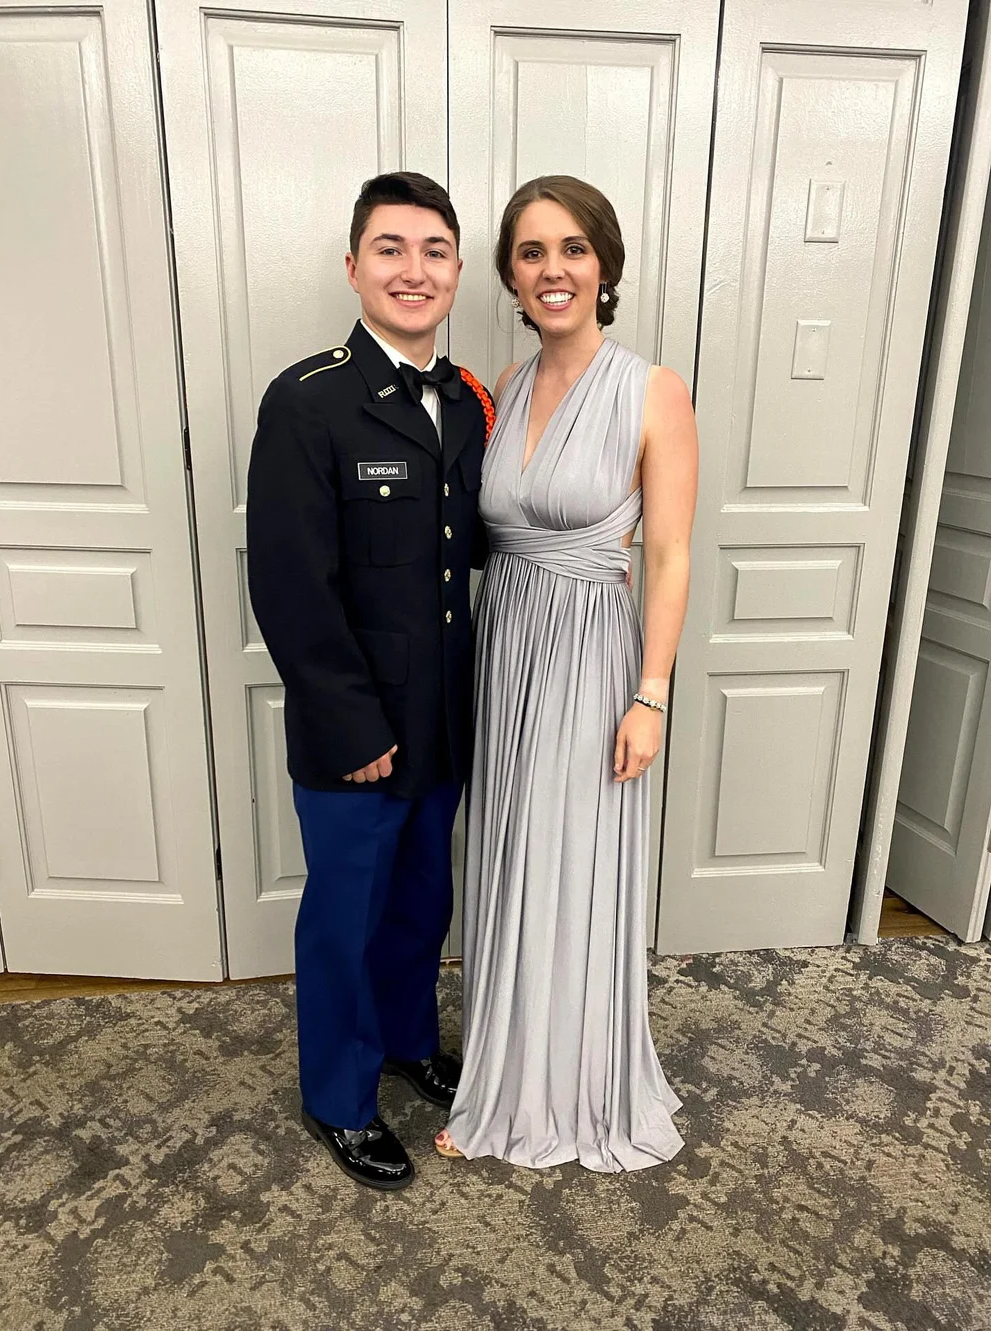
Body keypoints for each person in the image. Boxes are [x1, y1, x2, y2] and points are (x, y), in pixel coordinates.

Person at [436, 176, 698, 1171]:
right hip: (505, 653)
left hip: (592, 657)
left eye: (574, 248)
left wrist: (650, 693)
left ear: (604, 264)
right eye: (533, 251)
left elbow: (668, 553)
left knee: (568, 855)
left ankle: (574, 1088)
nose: (554, 269)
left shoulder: (650, 388)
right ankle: (504, 1079)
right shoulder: (500, 387)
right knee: (507, 855)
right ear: (508, 271)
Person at [246, 172, 493, 1191]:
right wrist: (352, 723)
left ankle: (403, 1039)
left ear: (456, 272)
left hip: (441, 714)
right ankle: (339, 1095)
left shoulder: (469, 401)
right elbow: (290, 584)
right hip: (354, 727)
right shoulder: (308, 402)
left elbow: (478, 546)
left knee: (419, 900)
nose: (413, 268)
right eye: (390, 248)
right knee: (344, 914)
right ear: (353, 268)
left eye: (433, 249)